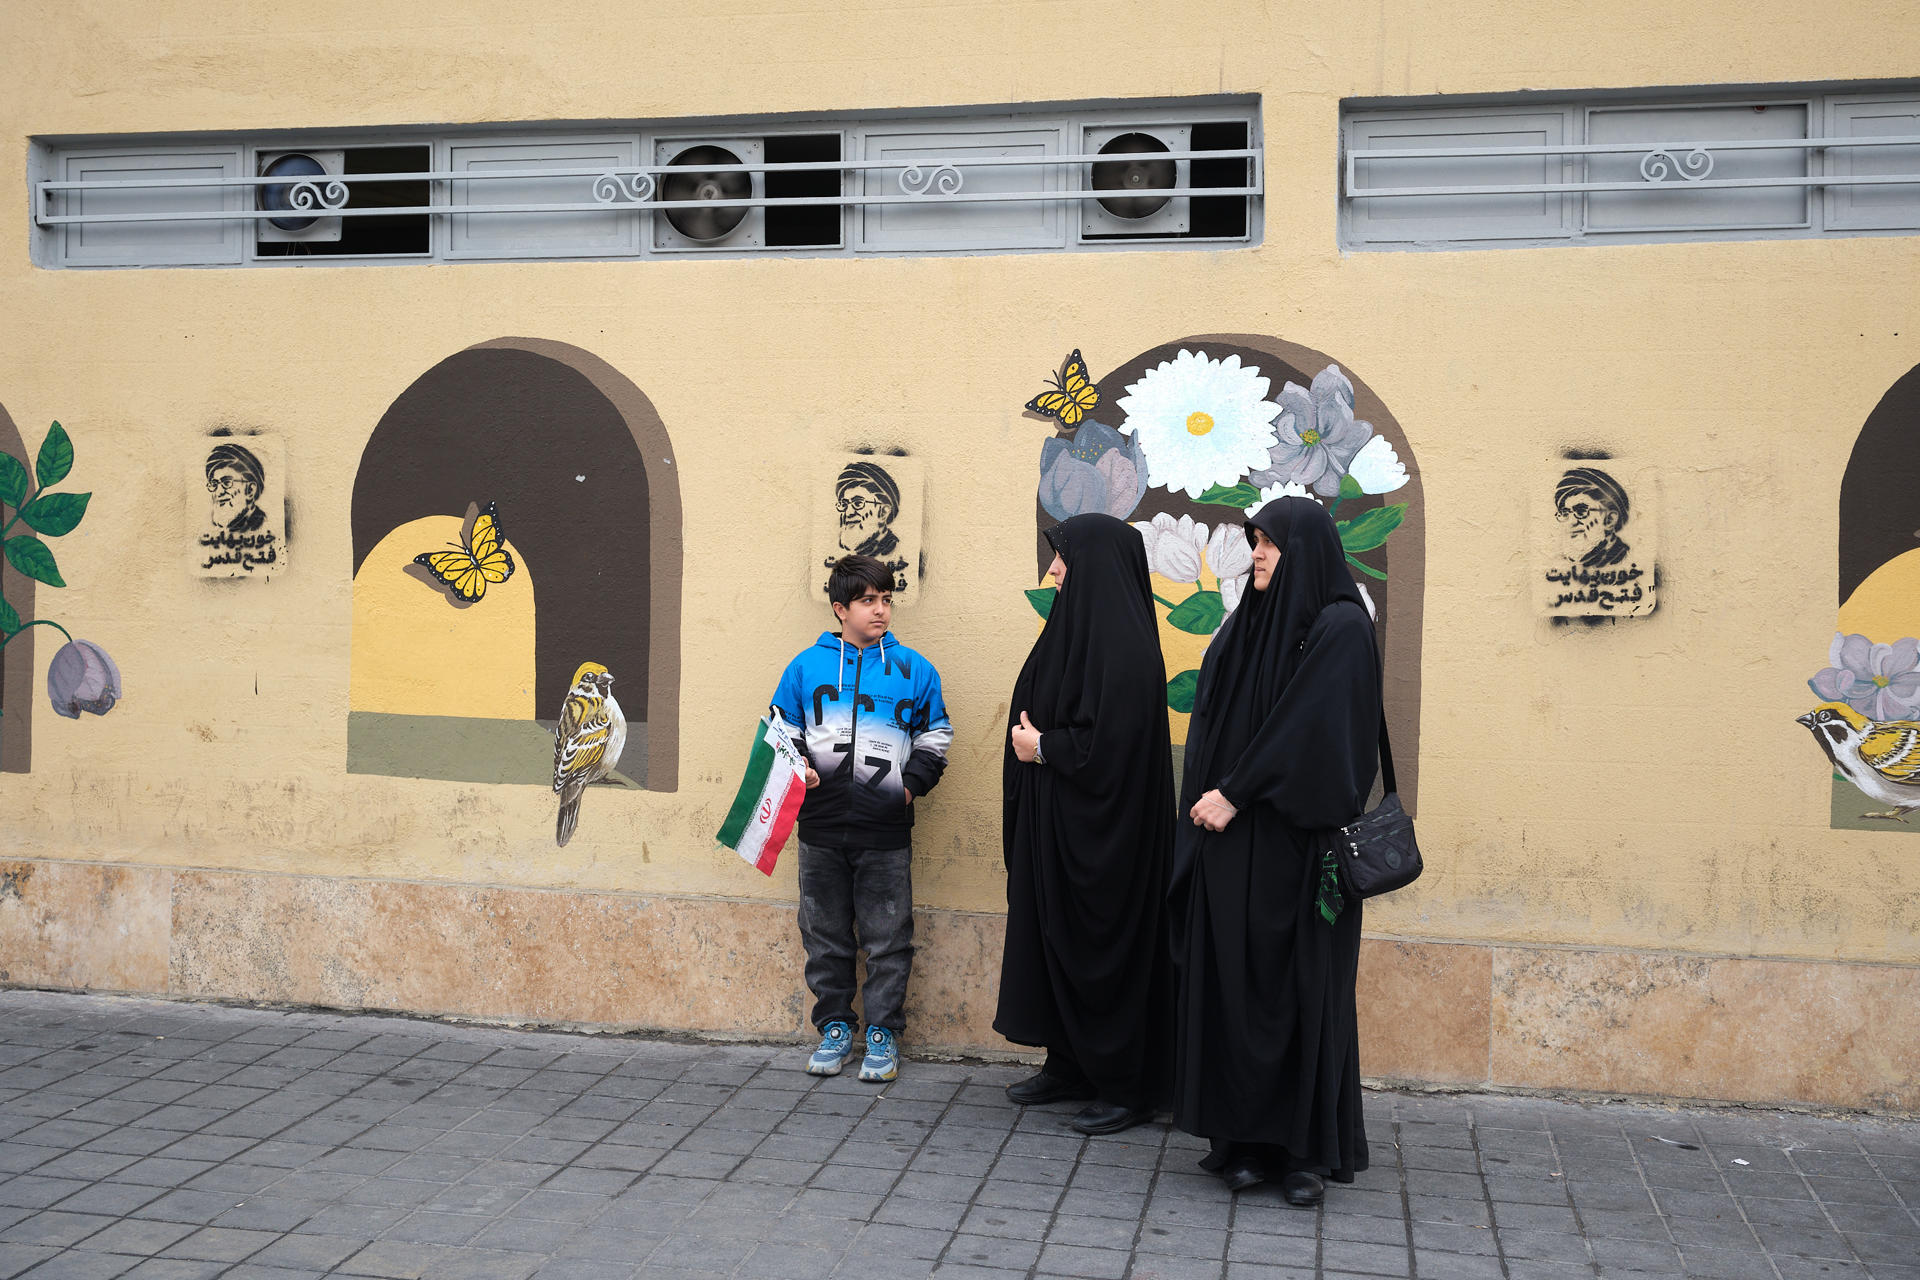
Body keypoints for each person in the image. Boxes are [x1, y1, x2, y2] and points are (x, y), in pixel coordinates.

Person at [1169, 496, 1381, 1203]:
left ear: (1307, 552)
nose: (1257, 554)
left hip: (1299, 848)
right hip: (1232, 847)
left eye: (1270, 544)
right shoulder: (1251, 624)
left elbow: (1309, 732)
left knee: (1300, 994)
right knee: (1236, 989)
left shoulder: (1342, 628)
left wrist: (1235, 791)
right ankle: (1244, 1143)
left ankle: (1303, 1155)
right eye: (1254, 541)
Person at [997, 513, 1175, 1136]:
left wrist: (1043, 749)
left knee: (1105, 950)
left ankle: (1128, 1086)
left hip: (1108, 839)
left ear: (1094, 566)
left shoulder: (1122, 648)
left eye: (1063, 558)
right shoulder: (1073, 632)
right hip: (1061, 828)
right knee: (1055, 940)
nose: (1051, 570)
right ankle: (1068, 1062)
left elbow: (1113, 747)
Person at [770, 553, 952, 1083]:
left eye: (887, 600)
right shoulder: (805, 667)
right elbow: (781, 731)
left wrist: (910, 788)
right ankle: (834, 1026)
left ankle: (882, 1033)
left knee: (888, 935)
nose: (881, 611)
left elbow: (936, 735)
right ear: (840, 608)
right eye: (869, 601)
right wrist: (798, 765)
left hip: (885, 830)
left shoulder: (914, 669)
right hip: (821, 828)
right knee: (823, 932)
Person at [1554, 466, 1631, 567]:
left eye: (1581, 511)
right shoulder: (1567, 562)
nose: (1571, 522)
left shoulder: (1620, 559)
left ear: (1610, 520)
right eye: (1565, 513)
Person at [835, 461, 901, 558]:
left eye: (857, 503)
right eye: (844, 504)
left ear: (883, 512)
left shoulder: (896, 556)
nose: (848, 513)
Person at [206, 443, 267, 532]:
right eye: (214, 484)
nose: (218, 492)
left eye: (227, 483)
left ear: (250, 490)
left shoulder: (261, 527)